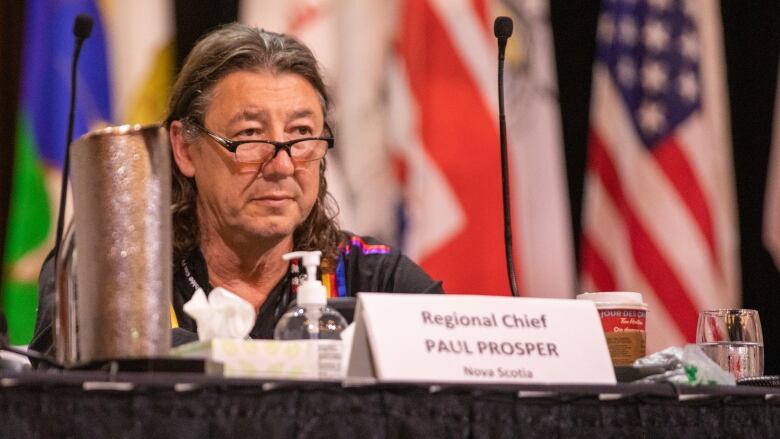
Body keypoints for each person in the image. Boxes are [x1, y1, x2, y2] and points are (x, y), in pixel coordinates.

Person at [30, 23, 442, 358]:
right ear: (184, 147)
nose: (282, 165)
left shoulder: (373, 278)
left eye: (302, 134)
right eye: (249, 135)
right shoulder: (112, 271)